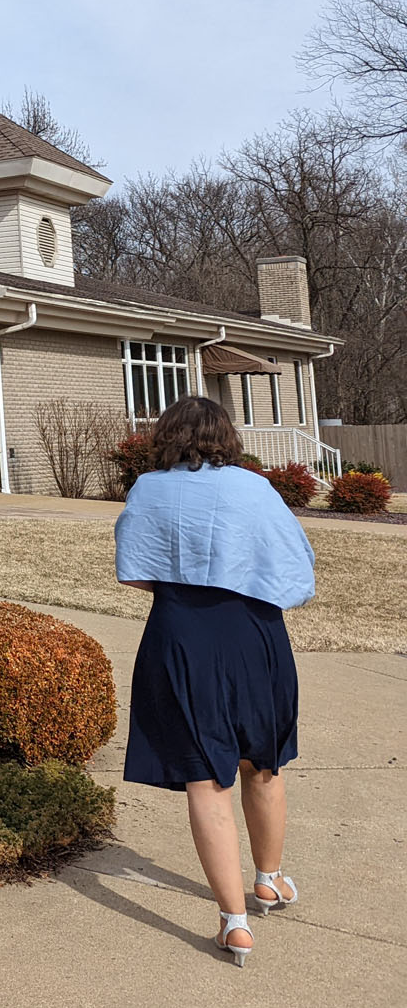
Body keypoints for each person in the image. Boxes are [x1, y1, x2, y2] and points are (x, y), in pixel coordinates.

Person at [115, 395, 314, 967]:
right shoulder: (255, 488)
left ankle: (234, 922)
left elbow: (135, 572)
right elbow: (296, 566)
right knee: (263, 761)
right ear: (226, 435)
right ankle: (269, 880)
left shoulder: (148, 489)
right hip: (253, 634)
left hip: (180, 633)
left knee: (205, 780)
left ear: (168, 436)